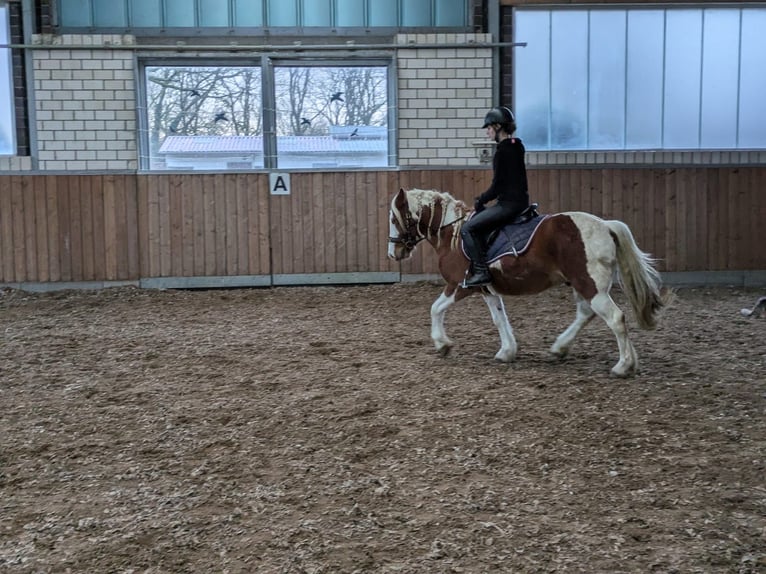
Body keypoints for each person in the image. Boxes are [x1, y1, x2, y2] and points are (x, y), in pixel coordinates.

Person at [460, 106, 530, 287]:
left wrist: (480, 199)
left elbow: (498, 185)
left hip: (508, 204)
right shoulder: (517, 146)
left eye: (489, 128)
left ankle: (481, 272)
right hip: (521, 201)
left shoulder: (502, 152)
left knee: (467, 228)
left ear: (498, 127)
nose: (487, 133)